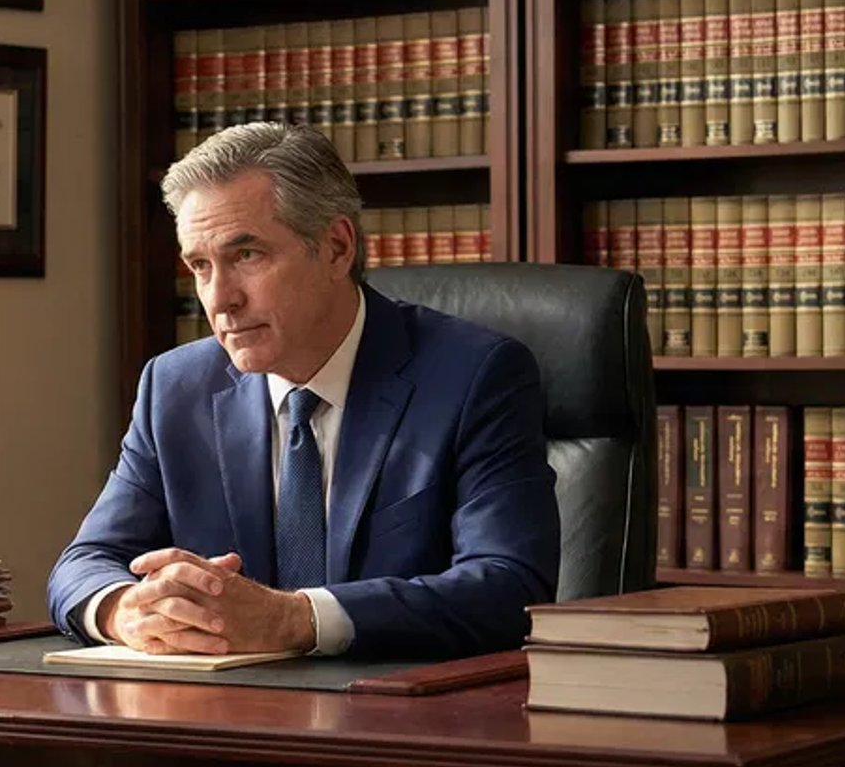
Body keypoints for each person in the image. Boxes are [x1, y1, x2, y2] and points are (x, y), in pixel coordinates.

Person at [48, 123, 559, 659]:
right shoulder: (176, 387)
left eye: (247, 255)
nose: (219, 299)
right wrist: (125, 609)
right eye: (200, 266)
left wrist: (296, 619)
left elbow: (509, 587)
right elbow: (84, 564)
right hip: (220, 706)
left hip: (395, 703)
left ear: (337, 248)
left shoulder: (474, 376)